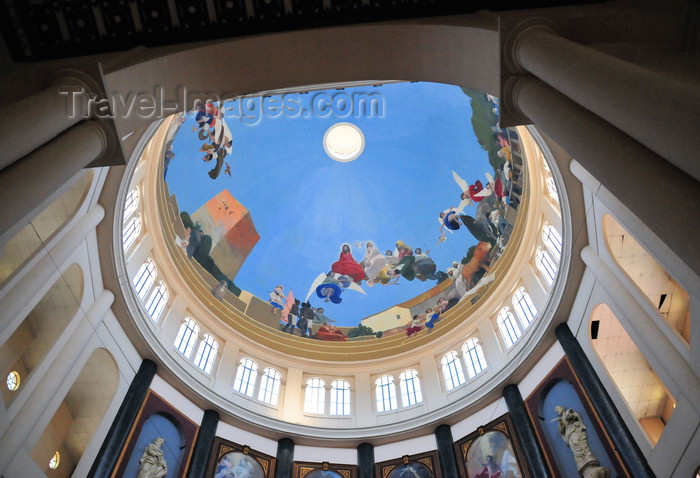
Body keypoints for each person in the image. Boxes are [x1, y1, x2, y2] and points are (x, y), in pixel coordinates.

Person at [552, 406, 609, 476]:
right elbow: (561, 430)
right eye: (556, 411)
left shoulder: (569, 412)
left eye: (558, 409)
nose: (557, 411)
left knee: (578, 442)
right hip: (569, 436)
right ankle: (583, 465)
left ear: (562, 408)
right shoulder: (560, 419)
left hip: (574, 431)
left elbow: (575, 417)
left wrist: (568, 418)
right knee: (575, 450)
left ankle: (589, 461)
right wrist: (561, 422)